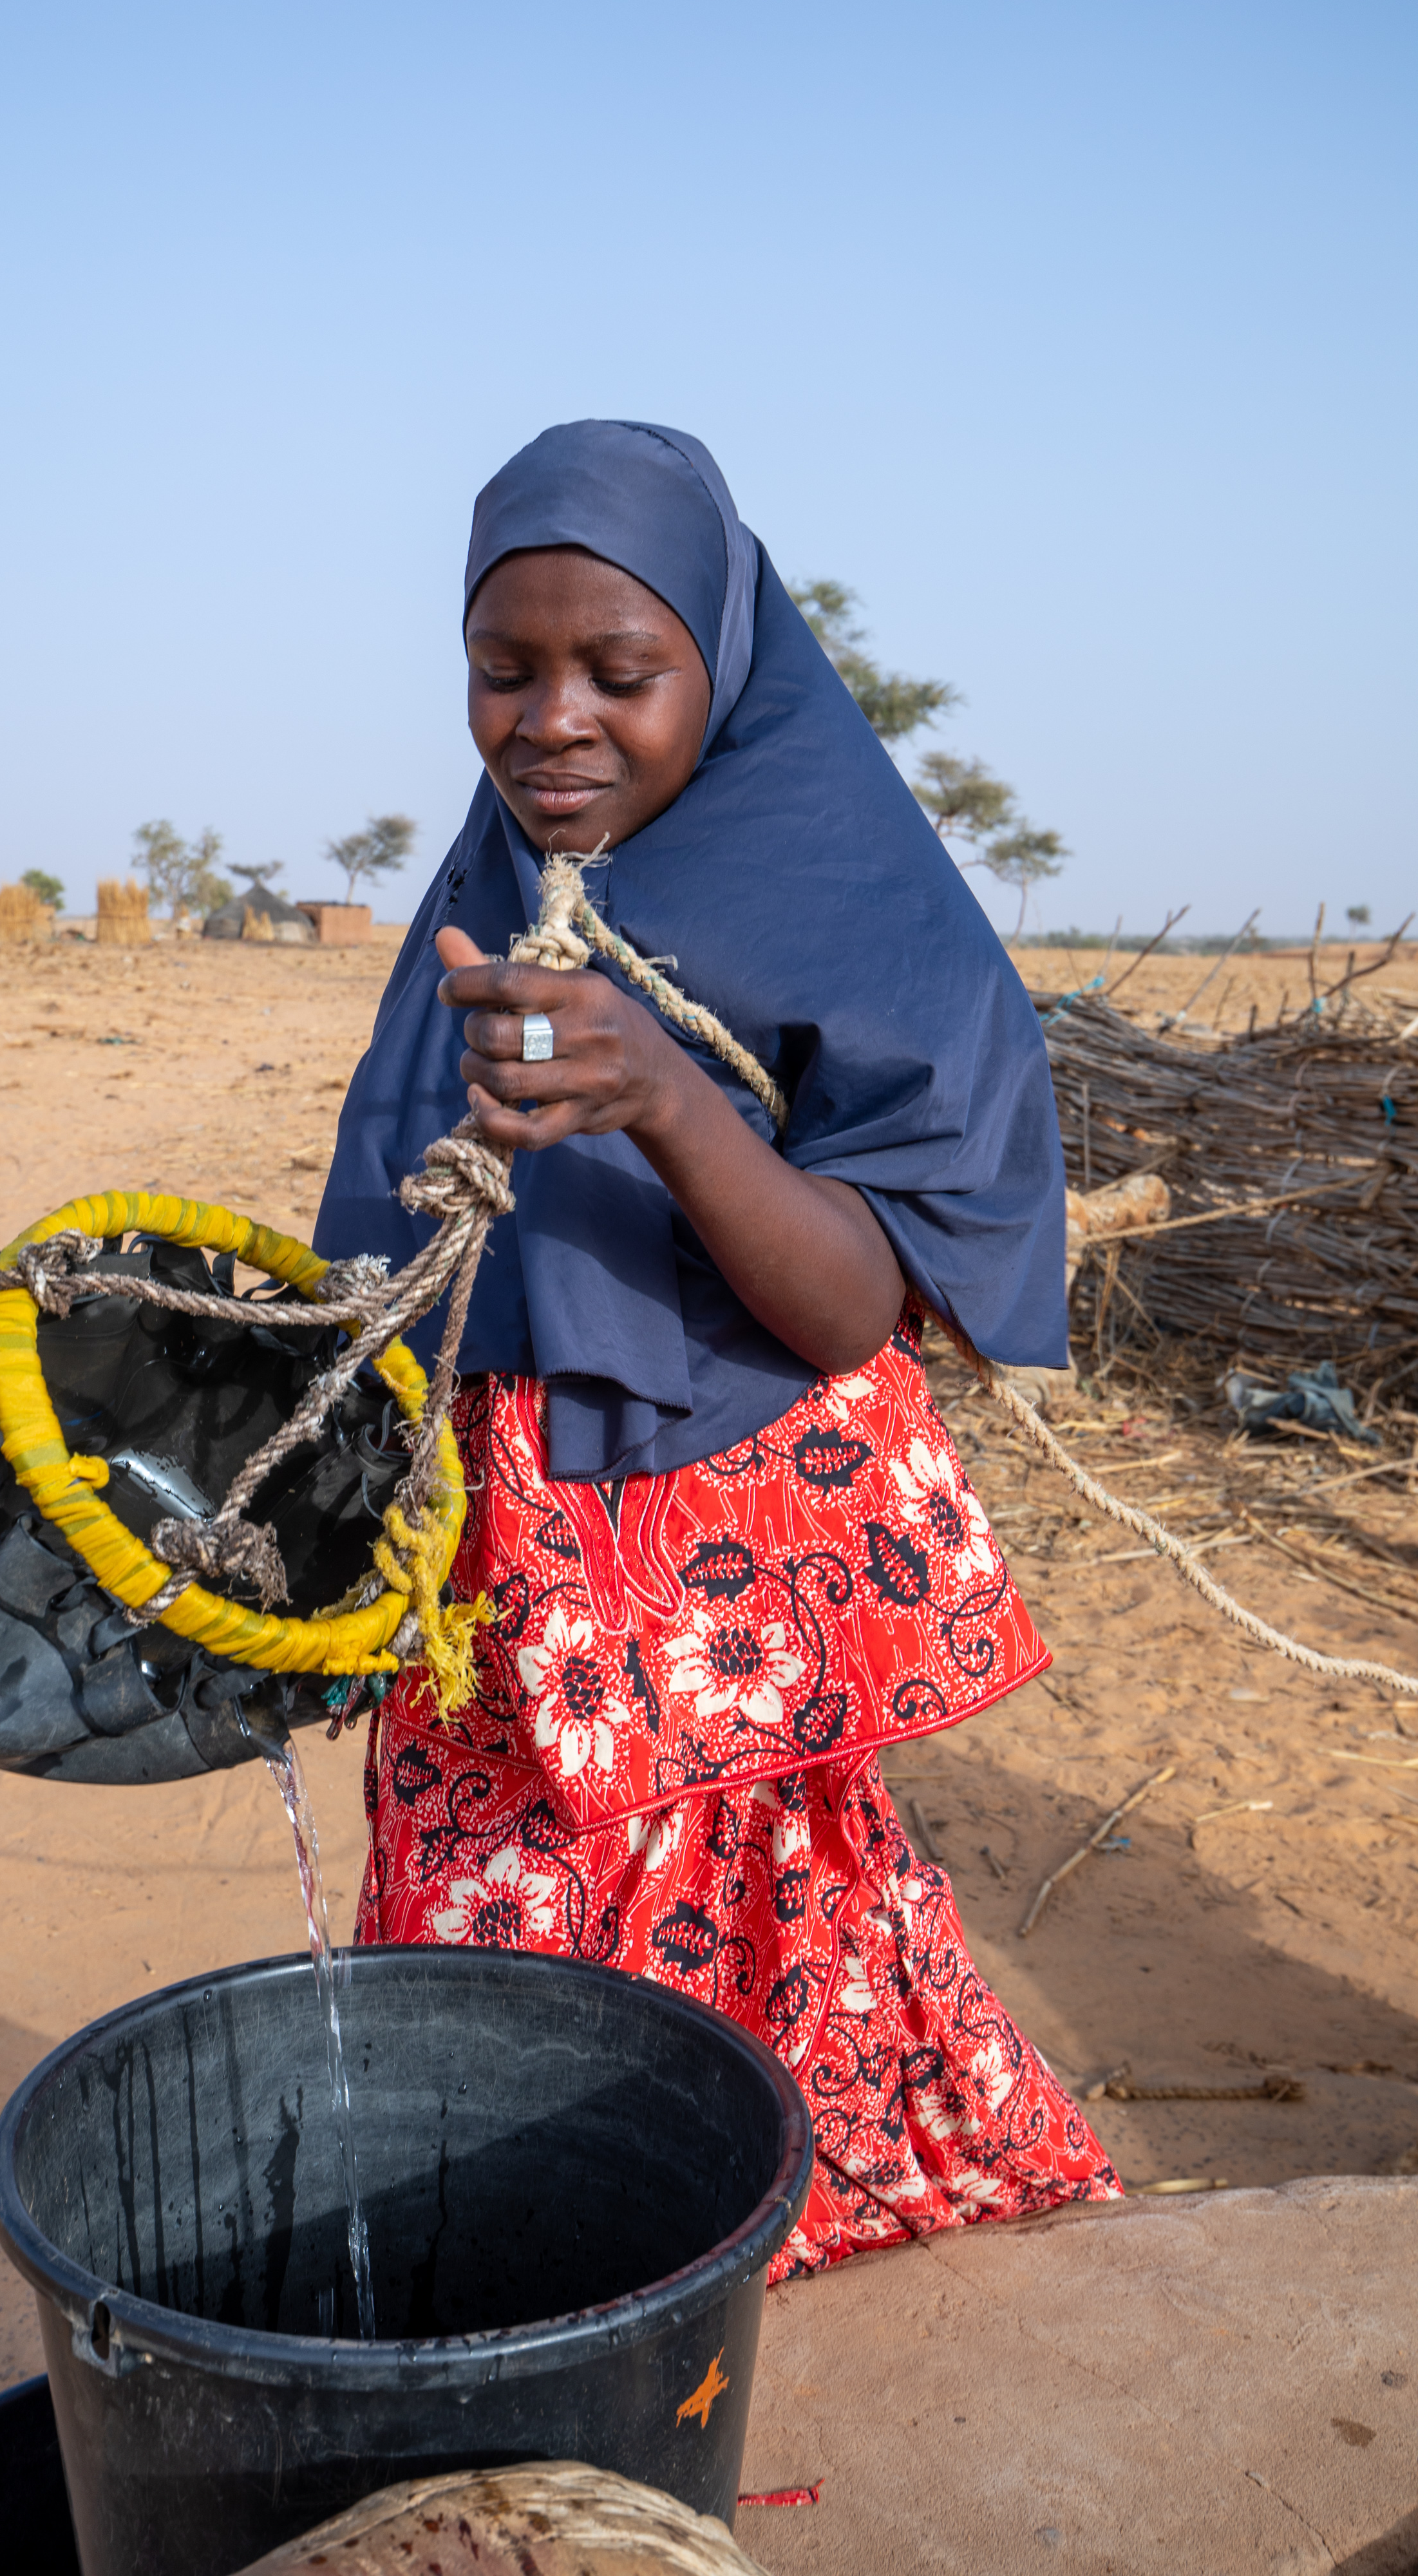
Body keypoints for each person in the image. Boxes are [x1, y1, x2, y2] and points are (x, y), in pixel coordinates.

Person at [313, 419, 1118, 2273]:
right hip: (500, 1554)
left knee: (746, 1930)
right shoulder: (476, 892)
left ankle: (714, 2267)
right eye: (502, 673)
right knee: (481, 1936)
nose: (550, 722)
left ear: (724, 663)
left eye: (621, 671)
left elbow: (850, 1307)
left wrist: (665, 1096)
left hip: (728, 1556)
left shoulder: (859, 904)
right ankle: (550, 2268)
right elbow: (400, 1244)